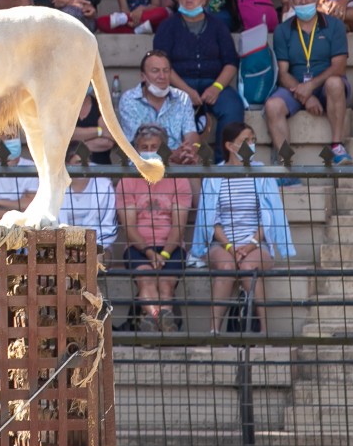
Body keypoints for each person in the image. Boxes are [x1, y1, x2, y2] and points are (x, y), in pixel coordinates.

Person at [188, 122, 295, 335]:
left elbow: (269, 216)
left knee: (248, 268)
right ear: (229, 145)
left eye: (253, 140)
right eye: (245, 141)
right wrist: (229, 246)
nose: (251, 145)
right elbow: (212, 219)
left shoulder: (262, 172)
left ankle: (263, 331)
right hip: (222, 242)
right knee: (227, 268)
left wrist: (250, 244)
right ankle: (214, 332)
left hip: (257, 243)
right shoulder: (215, 175)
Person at [153, 0, 243, 161]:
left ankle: (223, 163)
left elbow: (231, 62)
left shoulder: (218, 26)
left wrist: (216, 88)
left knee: (233, 107)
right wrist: (186, 91)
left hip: (214, 83)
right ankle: (177, 162)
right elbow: (162, 63)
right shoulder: (167, 27)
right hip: (178, 84)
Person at [264, 0, 352, 168]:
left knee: (335, 83)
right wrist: (305, 96)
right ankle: (285, 165)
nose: (303, 2)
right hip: (294, 86)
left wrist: (310, 88)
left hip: (324, 83)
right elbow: (283, 73)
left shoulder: (335, 25)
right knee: (272, 106)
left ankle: (337, 146)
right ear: (291, 2)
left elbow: (339, 67)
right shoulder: (282, 30)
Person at [115, 124, 192, 333]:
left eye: (155, 146)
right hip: (138, 247)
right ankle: (163, 322)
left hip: (172, 247)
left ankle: (154, 324)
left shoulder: (179, 180)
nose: (149, 150)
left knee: (166, 284)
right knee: (146, 281)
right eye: (144, 146)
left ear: (164, 148)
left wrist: (165, 253)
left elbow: (179, 225)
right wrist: (149, 252)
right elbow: (129, 226)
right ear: (136, 150)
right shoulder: (127, 182)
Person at [117, 50, 200, 164]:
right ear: (143, 76)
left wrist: (189, 150)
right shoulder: (129, 99)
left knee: (193, 167)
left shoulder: (182, 98)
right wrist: (171, 154)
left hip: (178, 163)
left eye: (166, 71)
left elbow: (191, 134)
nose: (162, 76)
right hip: (142, 163)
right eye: (155, 71)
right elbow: (139, 144)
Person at [60, 148, 118, 262]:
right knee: (63, 262)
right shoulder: (55, 187)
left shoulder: (104, 186)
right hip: (62, 245)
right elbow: (51, 223)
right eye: (78, 162)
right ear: (67, 164)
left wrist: (90, 247)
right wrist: (66, 246)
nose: (84, 166)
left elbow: (109, 226)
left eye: (86, 161)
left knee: (94, 260)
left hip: (98, 245)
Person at [71, 92, 115, 164]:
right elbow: (68, 134)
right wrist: (100, 131)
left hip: (101, 168)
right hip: (70, 170)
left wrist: (75, 146)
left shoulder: (102, 105)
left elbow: (108, 142)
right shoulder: (63, 107)